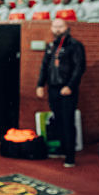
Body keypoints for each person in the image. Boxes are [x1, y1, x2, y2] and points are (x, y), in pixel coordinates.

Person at [35, 17, 86, 167]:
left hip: (67, 90)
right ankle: (62, 149)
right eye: (55, 26)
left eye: (60, 26)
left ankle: (70, 156)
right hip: (53, 89)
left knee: (68, 121)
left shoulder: (75, 45)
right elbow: (45, 66)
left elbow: (79, 68)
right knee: (57, 120)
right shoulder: (51, 46)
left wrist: (70, 86)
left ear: (67, 27)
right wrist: (40, 85)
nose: (57, 29)